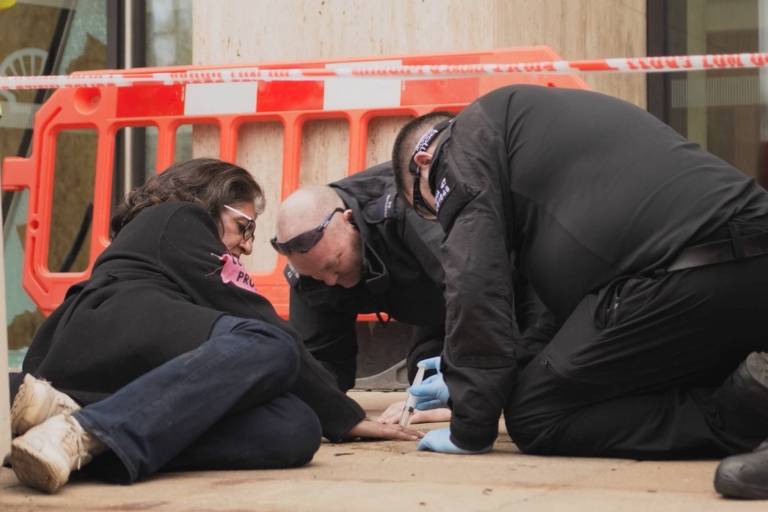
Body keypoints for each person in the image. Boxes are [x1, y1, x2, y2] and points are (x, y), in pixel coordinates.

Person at [391, 85, 768, 471]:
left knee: (535, 415)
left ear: (425, 160)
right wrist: (468, 374)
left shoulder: (464, 146)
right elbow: (558, 325)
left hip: (689, 269)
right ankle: (749, 389)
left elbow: (474, 283)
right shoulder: (532, 152)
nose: (442, 221)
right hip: (735, 263)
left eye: (428, 207)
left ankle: (740, 418)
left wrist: (469, 424)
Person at [8, 158, 420, 494]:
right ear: (210, 201)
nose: (246, 245)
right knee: (268, 342)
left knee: (293, 427)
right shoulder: (178, 216)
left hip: (126, 372)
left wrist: (325, 417)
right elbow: (261, 326)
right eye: (245, 226)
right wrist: (346, 417)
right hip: (99, 333)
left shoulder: (179, 252)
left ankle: (84, 438)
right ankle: (86, 430)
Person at [272, 163, 556, 424]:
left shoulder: (409, 208)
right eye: (316, 276)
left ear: (349, 221)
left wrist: (465, 388)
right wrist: (321, 413)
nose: (330, 281)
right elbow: (321, 360)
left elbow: (476, 292)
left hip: (520, 276)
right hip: (433, 304)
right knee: (423, 383)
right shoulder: (312, 271)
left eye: (334, 264)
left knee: (532, 399)